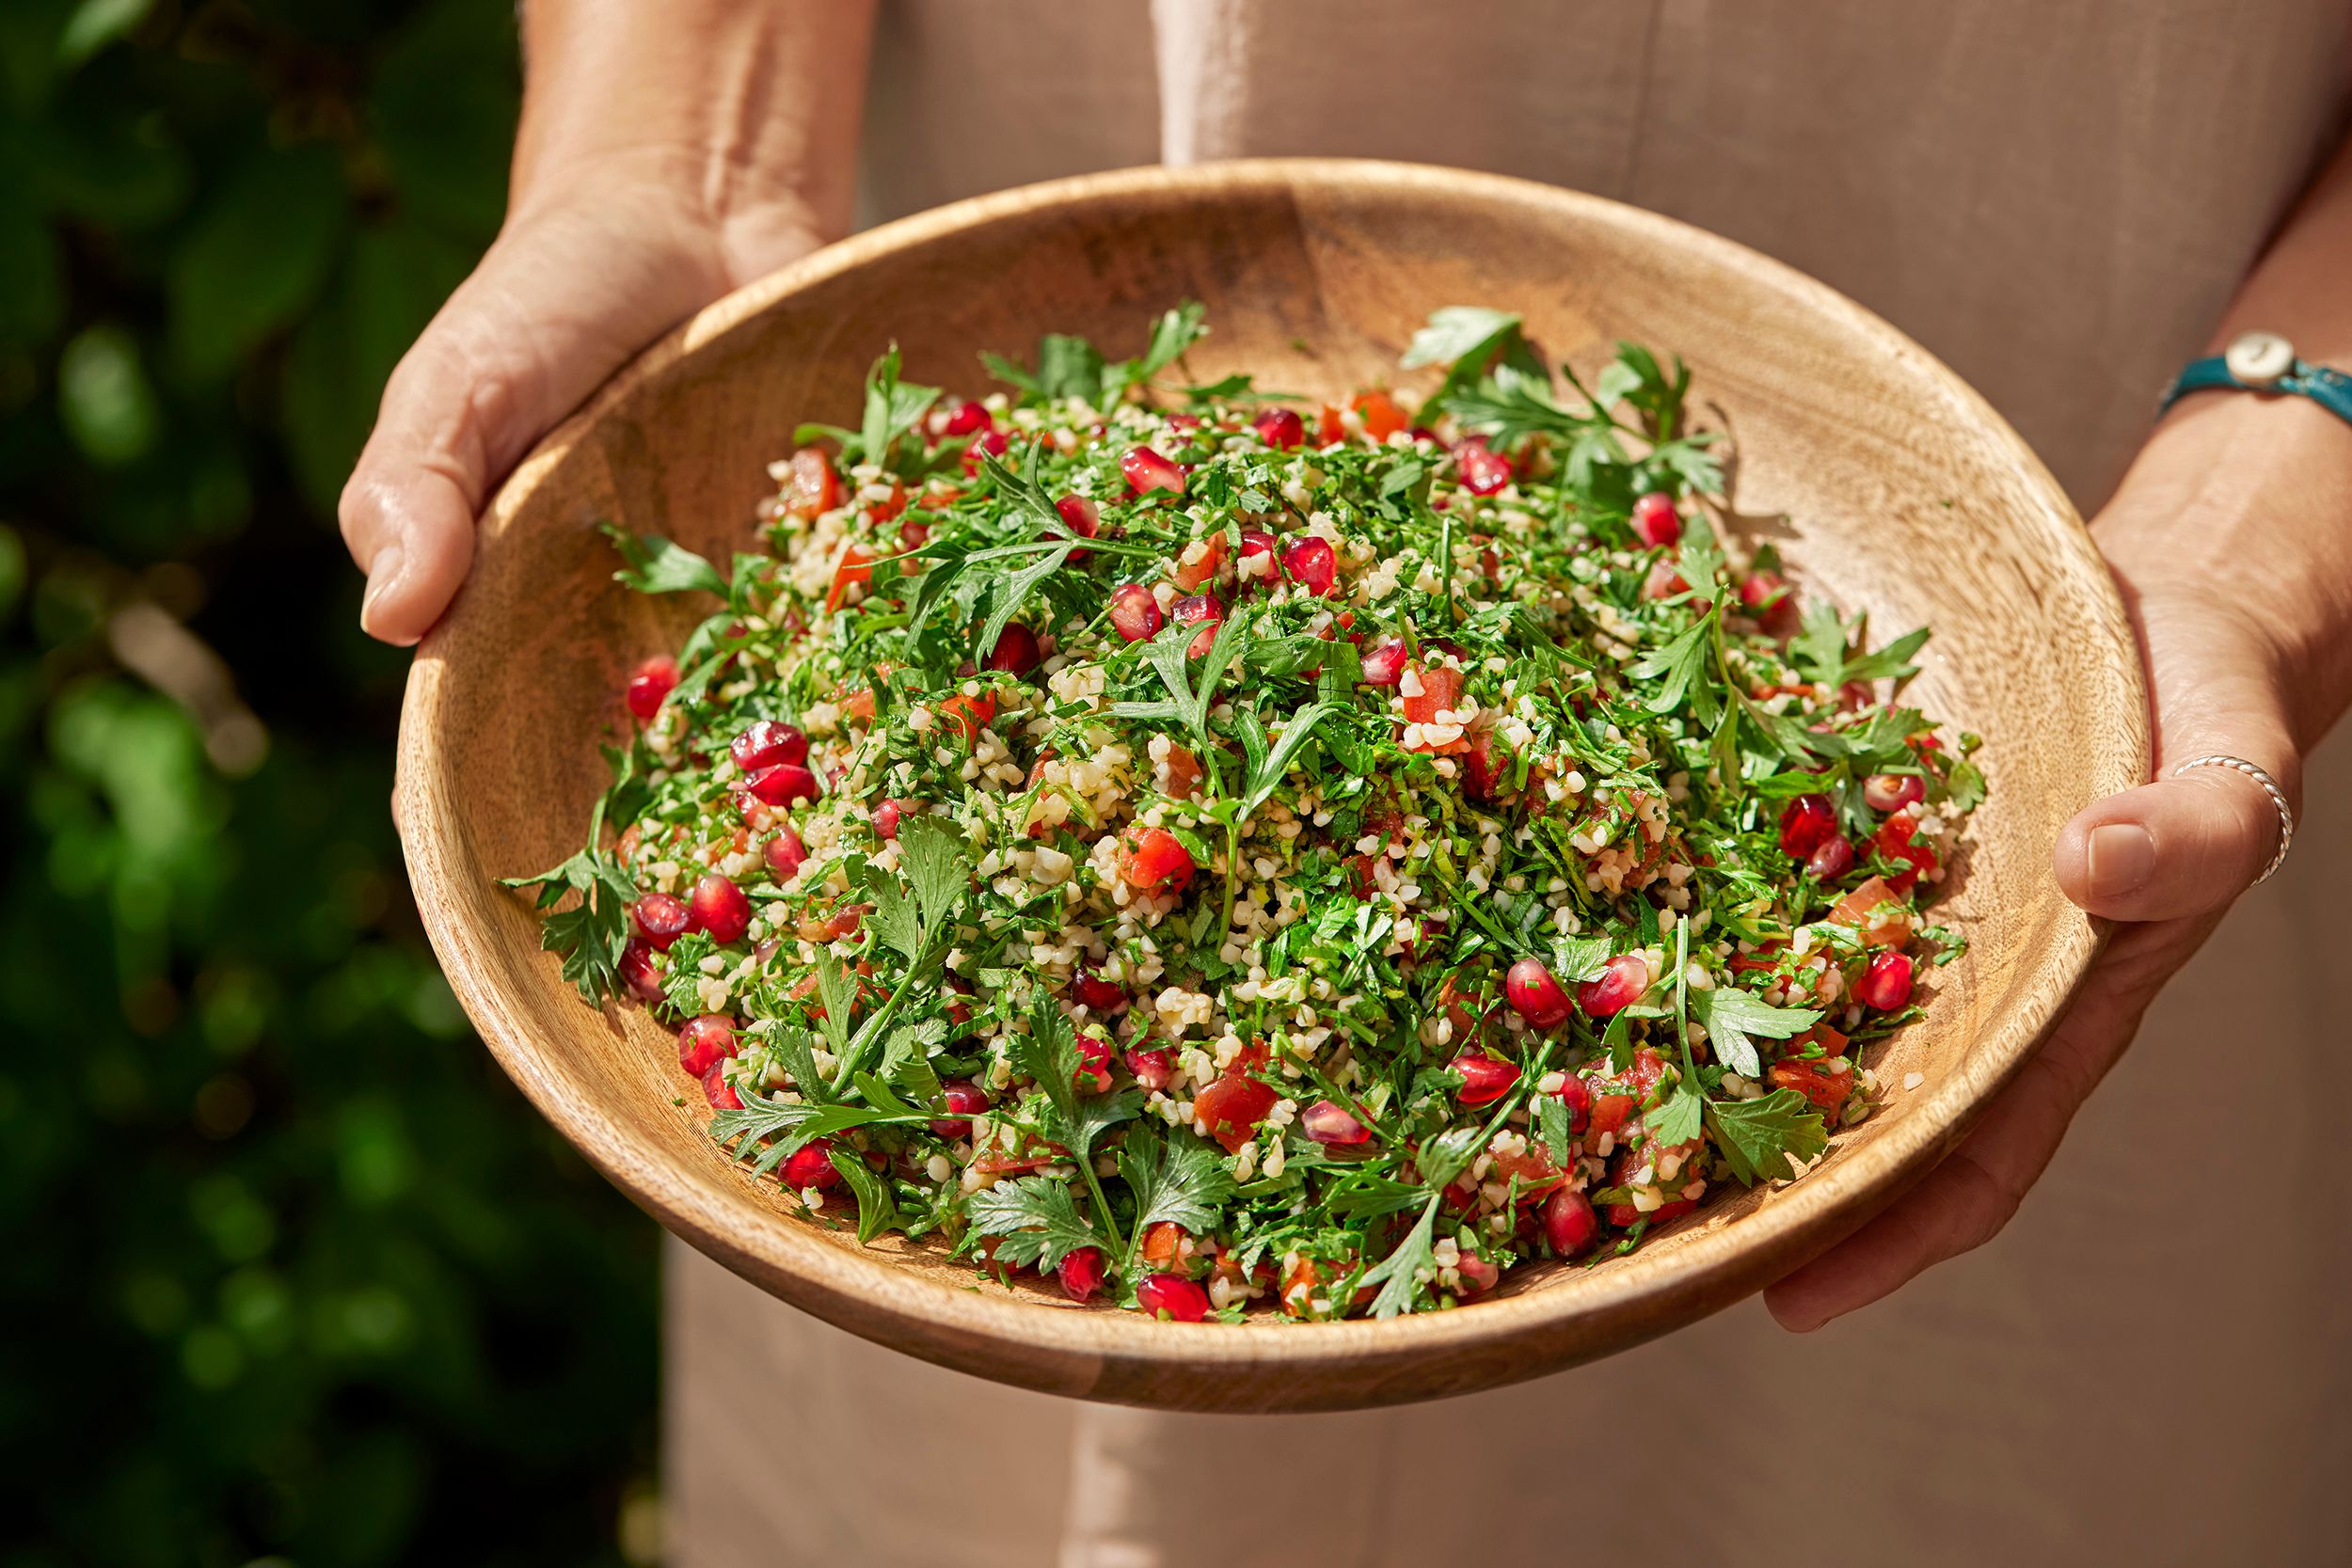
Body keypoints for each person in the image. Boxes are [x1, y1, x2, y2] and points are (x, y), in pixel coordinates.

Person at [344, 5, 2352, 1562]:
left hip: (2131, 410)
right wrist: (683, 147)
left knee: (1925, 1471)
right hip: (1001, 211)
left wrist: (2270, 495)